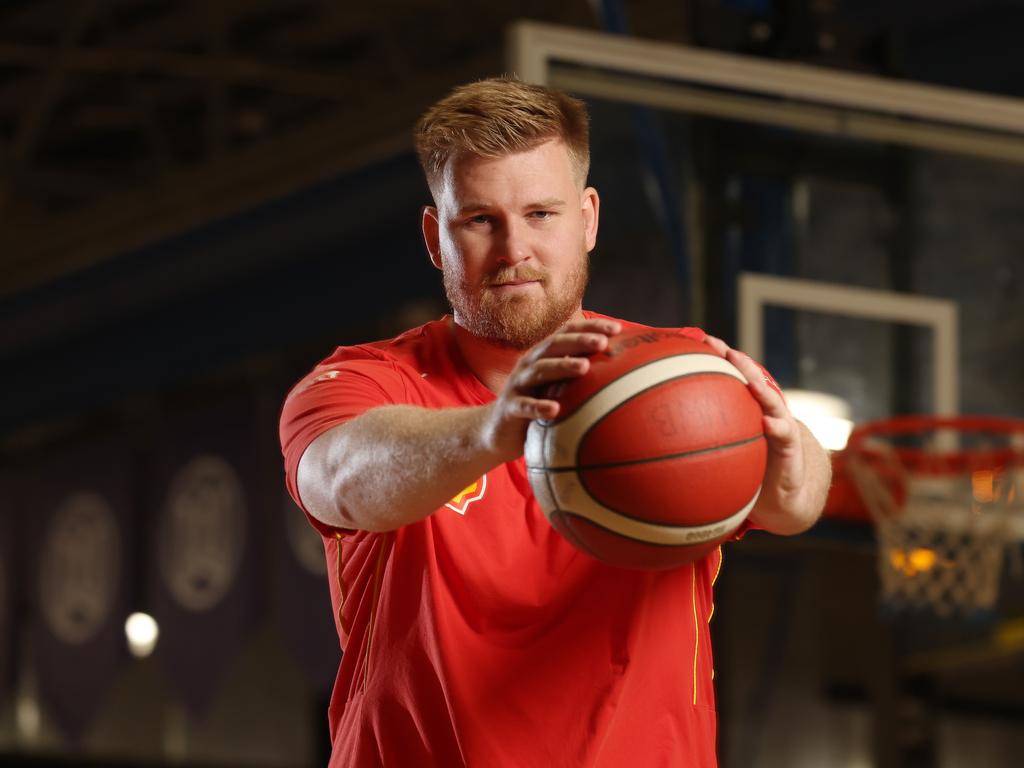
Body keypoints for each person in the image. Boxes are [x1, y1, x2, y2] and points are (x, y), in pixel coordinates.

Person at [279, 77, 831, 767]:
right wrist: (496, 430)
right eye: (481, 219)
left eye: (541, 213)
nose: (515, 250)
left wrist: (789, 451)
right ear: (434, 236)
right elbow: (342, 477)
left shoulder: (677, 376)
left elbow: (797, 501)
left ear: (589, 218)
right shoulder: (363, 382)